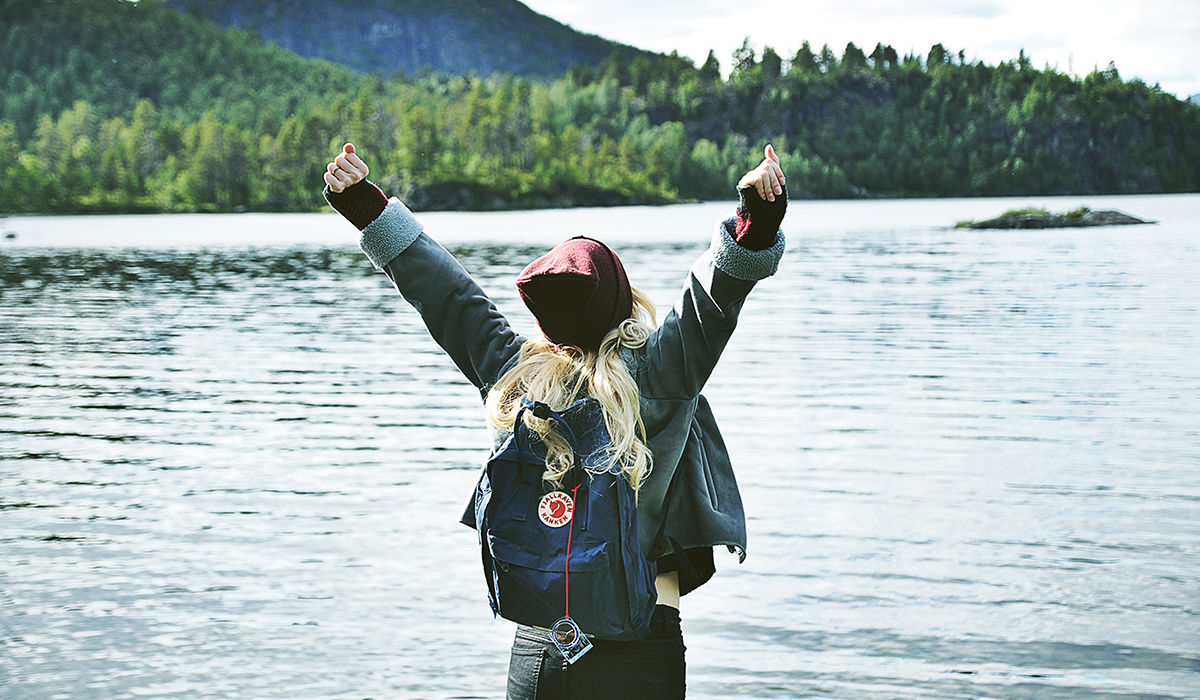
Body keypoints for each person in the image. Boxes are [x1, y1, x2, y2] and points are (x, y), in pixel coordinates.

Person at [322, 142, 787, 699]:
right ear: (622, 297)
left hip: (541, 650)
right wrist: (755, 218)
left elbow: (444, 294)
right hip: (642, 649)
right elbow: (714, 294)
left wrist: (366, 207)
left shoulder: (513, 375)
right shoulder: (663, 373)